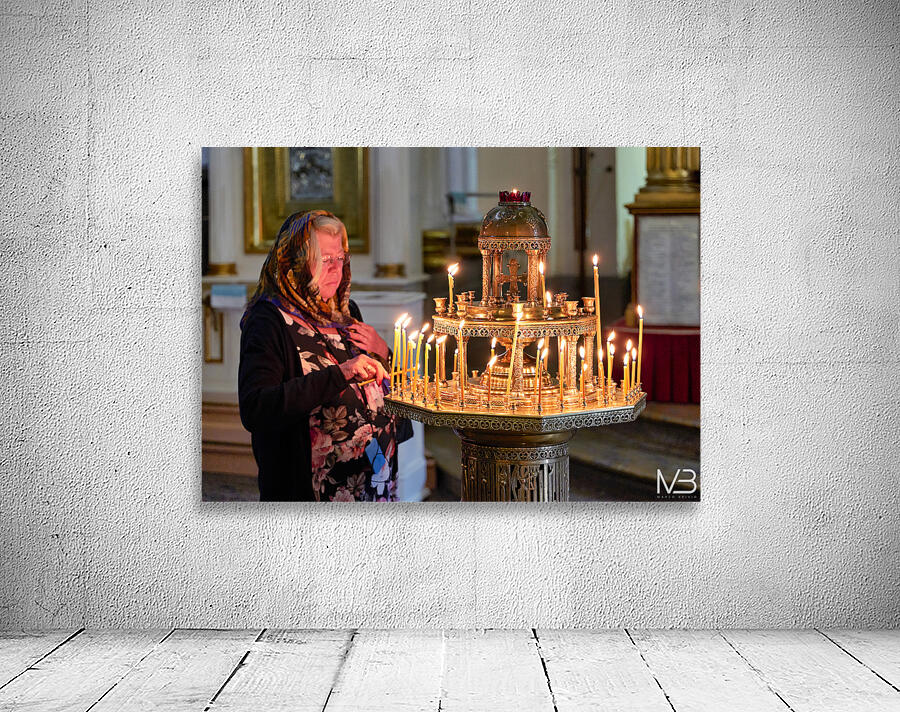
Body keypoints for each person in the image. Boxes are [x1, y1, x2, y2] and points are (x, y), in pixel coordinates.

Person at [239, 210, 409, 501]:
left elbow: (383, 383)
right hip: (310, 490)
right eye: (324, 260)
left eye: (340, 258)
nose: (335, 269)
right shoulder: (268, 320)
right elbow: (257, 408)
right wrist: (340, 374)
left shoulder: (345, 311)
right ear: (296, 262)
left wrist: (383, 352)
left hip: (373, 477)